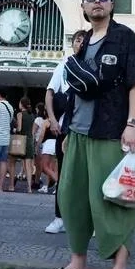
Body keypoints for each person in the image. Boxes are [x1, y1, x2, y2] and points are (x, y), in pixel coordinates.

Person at [49, 0, 135, 269]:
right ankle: (78, 262)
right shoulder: (82, 42)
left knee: (114, 197)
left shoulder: (124, 37)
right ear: (83, 7)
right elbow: (75, 90)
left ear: (112, 5)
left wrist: (132, 124)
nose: (97, 1)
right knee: (71, 197)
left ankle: (119, 265)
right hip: (77, 133)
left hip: (110, 131)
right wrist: (66, 131)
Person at [44, 29, 86, 234]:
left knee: (89, 175)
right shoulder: (64, 65)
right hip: (66, 127)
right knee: (64, 174)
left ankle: (89, 220)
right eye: (78, 40)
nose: (81, 43)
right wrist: (52, 119)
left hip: (88, 128)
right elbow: (50, 93)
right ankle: (59, 217)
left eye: (85, 40)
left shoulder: (93, 66)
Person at [9, 97, 36, 193]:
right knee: (28, 166)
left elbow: (19, 128)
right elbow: (32, 131)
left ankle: (11, 185)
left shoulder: (20, 114)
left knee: (12, 162)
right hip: (29, 141)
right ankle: (29, 188)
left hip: (20, 141)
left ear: (22, 104)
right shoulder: (32, 115)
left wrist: (14, 130)